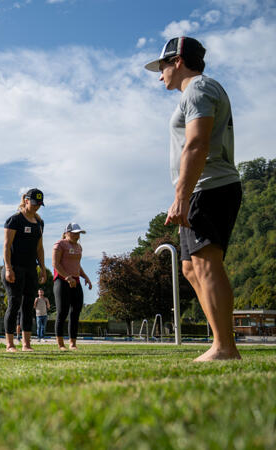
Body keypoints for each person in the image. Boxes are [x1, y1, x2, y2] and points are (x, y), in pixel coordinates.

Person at [146, 37, 242, 361]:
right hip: (199, 188)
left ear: (177, 61)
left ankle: (225, 347)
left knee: (205, 262)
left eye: (161, 67)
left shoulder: (199, 89)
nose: (160, 76)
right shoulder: (195, 92)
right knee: (189, 267)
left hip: (208, 187)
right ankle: (220, 341)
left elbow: (197, 144)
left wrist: (182, 197)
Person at [2, 189, 47, 352]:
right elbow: (6, 246)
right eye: (34, 203)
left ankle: (26, 344)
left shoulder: (40, 223)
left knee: (28, 306)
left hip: (30, 268)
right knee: (14, 304)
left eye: (39, 204)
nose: (37, 207)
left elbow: (39, 248)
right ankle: (10, 344)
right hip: (14, 267)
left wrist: (42, 268)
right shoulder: (14, 220)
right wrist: (8, 268)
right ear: (26, 200)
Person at [51, 223, 92, 350]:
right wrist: (67, 277)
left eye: (79, 233)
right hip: (62, 281)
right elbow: (55, 264)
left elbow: (77, 265)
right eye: (75, 233)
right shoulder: (59, 244)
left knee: (75, 312)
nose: (77, 235)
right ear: (67, 232)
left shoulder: (79, 247)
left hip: (76, 281)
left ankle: (73, 343)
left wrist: (85, 276)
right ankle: (61, 344)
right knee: (62, 312)